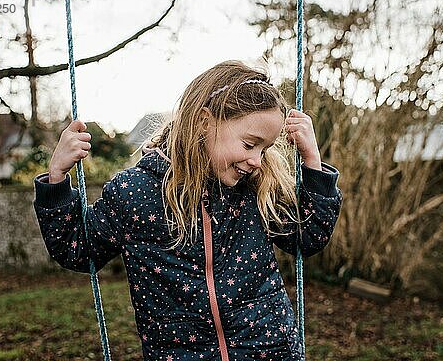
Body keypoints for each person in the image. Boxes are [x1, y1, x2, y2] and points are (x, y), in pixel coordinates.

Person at [33, 60, 342, 360]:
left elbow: (308, 236)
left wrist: (311, 161)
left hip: (269, 348)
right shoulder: (135, 193)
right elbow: (77, 249)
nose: (257, 160)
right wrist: (57, 177)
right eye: (250, 144)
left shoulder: (256, 187)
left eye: (265, 148)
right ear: (205, 123)